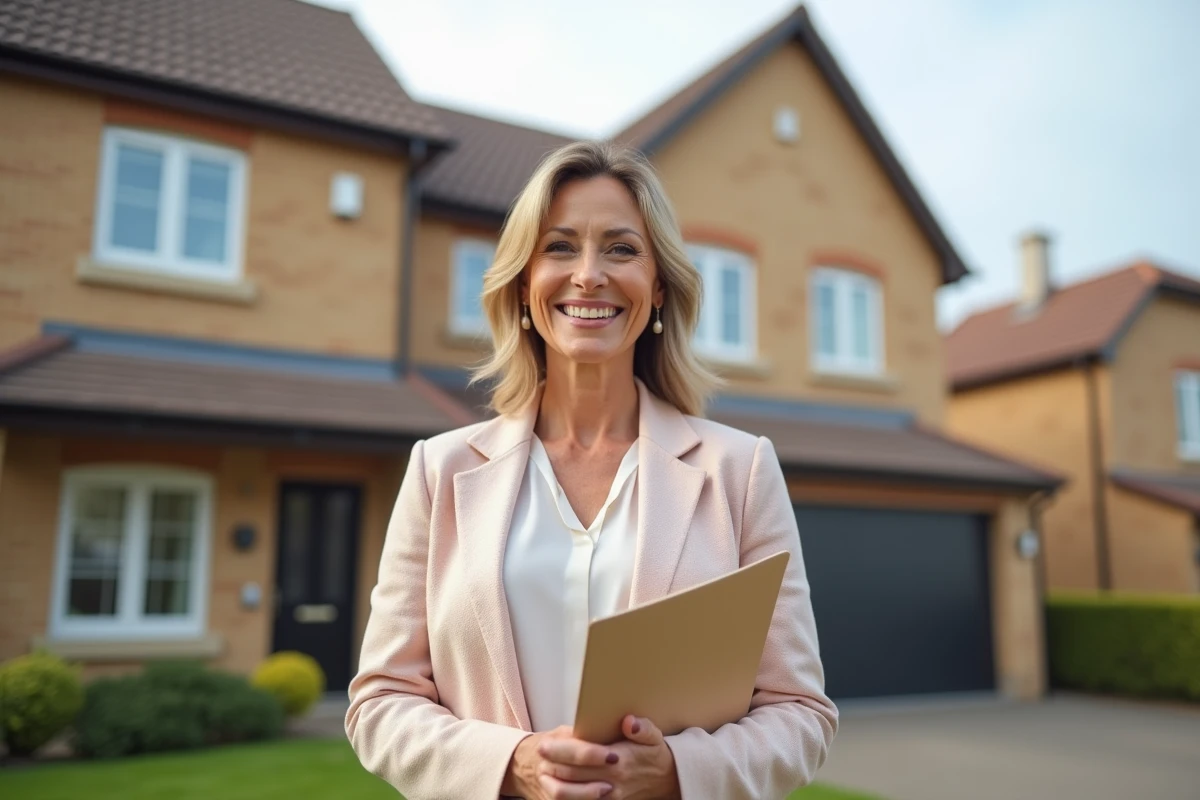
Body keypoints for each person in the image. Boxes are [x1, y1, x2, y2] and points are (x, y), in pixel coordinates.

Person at [346, 141, 838, 800]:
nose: (588, 275)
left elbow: (801, 714)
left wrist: (676, 773)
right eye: (559, 247)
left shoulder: (741, 471)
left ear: (658, 285)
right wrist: (511, 764)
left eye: (620, 248)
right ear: (523, 283)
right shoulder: (440, 470)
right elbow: (380, 703)